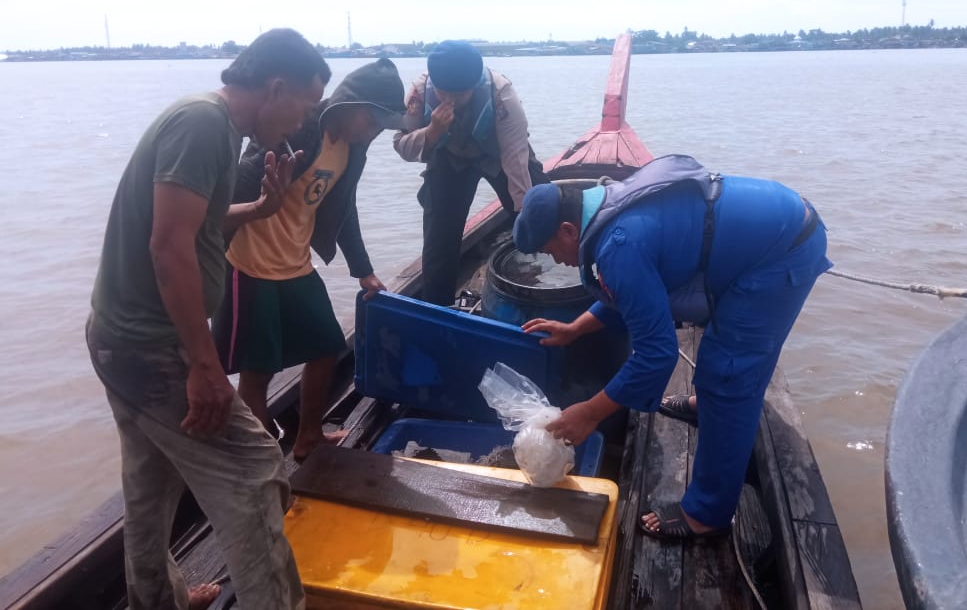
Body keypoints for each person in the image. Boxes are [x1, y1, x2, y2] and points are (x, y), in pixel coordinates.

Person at [87, 28, 330, 610]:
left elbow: (196, 225)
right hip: (154, 350)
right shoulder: (202, 125)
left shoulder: (214, 129)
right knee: (257, 471)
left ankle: (156, 601)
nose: (302, 125)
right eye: (306, 106)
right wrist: (203, 366)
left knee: (151, 481)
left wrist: (260, 209)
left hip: (121, 342)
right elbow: (168, 248)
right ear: (276, 88)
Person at [512, 154, 831, 542]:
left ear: (566, 229)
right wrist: (576, 327)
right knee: (720, 367)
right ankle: (705, 405)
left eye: (550, 251)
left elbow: (656, 353)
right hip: (768, 226)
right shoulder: (605, 208)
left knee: (729, 373)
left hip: (782, 250)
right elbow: (632, 291)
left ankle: (708, 516)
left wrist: (589, 413)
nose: (558, 261)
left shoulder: (619, 243)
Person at [212, 57, 406, 461]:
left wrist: (363, 270)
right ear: (348, 105)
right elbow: (231, 193)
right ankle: (262, 458)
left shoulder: (352, 150)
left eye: (379, 127)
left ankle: (309, 436)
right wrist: (207, 262)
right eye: (370, 122)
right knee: (257, 371)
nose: (371, 132)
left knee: (326, 348)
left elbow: (343, 207)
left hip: (296, 263)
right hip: (250, 265)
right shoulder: (298, 130)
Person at [393, 39, 547, 306]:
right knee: (439, 240)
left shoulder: (501, 95)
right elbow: (403, 148)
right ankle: (438, 311)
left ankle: (540, 283)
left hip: (498, 155)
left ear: (475, 85)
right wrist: (431, 132)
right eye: (443, 93)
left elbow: (515, 158)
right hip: (450, 158)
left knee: (540, 209)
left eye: (459, 94)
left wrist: (525, 211)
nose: (450, 100)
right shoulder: (418, 94)